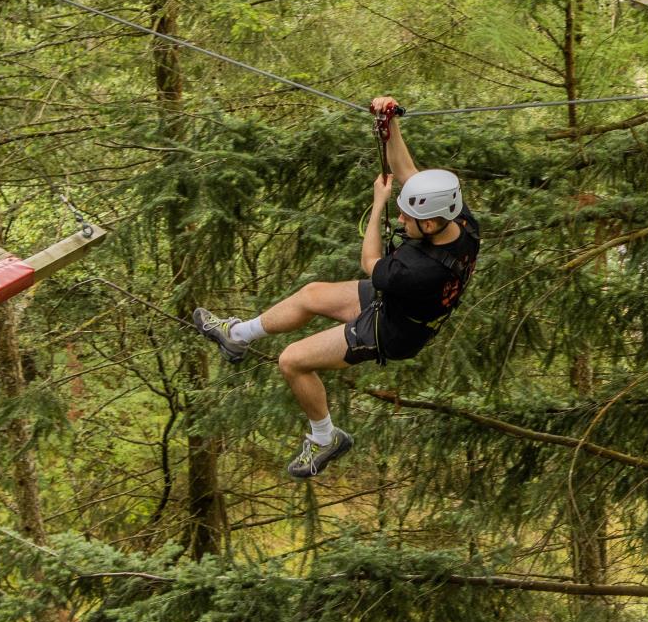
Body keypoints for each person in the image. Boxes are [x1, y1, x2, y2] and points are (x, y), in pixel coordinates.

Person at [191, 96, 480, 479]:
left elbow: (370, 262)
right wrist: (389, 122)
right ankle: (237, 335)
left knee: (292, 360)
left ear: (430, 225)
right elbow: (407, 169)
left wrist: (378, 204)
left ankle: (325, 437)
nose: (400, 217)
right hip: (398, 305)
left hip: (391, 330)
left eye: (407, 217)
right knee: (311, 294)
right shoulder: (461, 221)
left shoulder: (415, 270)